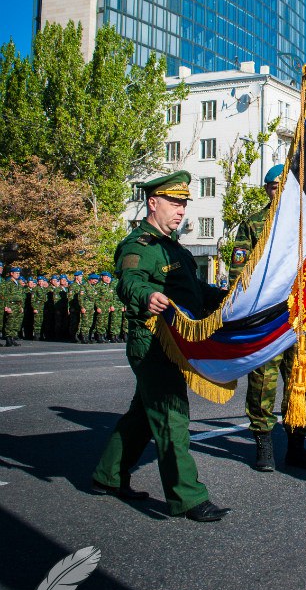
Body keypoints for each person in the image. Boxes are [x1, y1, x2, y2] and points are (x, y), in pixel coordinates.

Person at [92, 170, 229, 522]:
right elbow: (129, 283)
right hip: (152, 343)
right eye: (174, 202)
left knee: (142, 415)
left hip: (175, 343)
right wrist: (147, 295)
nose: (181, 210)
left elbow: (197, 293)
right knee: (171, 417)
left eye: (184, 203)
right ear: (153, 203)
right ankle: (188, 498)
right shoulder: (141, 245)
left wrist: (231, 298)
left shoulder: (174, 249)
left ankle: (108, 476)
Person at [229, 164, 306, 473]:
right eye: (273, 186)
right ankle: (263, 445)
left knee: (299, 382)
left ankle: (296, 446)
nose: (279, 191)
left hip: (298, 319)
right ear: (266, 189)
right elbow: (238, 273)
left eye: (285, 185)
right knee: (262, 382)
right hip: (265, 317)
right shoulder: (255, 224)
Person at [2, 265, 23, 347]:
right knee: (10, 322)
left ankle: (13, 338)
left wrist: (21, 306)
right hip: (11, 304)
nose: (18, 274)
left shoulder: (18, 284)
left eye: (18, 273)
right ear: (11, 273)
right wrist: (6, 306)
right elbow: (5, 295)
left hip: (17, 305)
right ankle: (8, 339)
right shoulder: (8, 283)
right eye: (16, 273)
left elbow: (20, 296)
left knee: (16, 322)